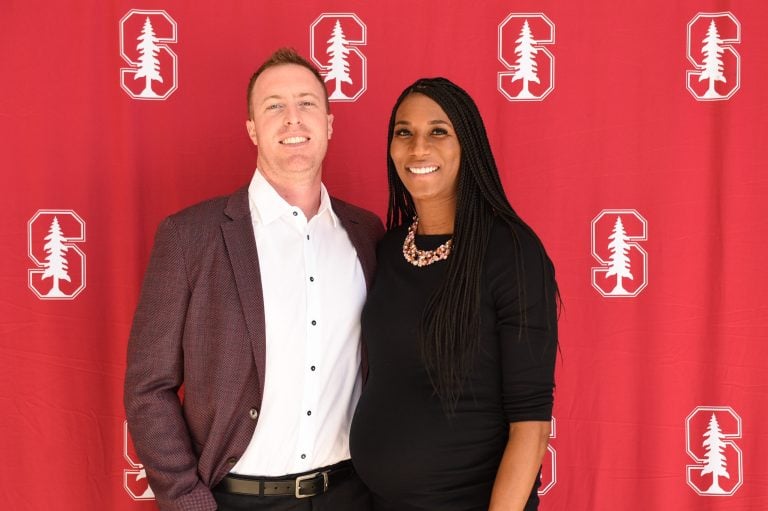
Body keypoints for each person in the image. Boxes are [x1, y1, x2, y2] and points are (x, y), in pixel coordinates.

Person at [124, 48, 383, 511]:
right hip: (236, 499)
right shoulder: (190, 237)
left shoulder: (367, 234)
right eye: (273, 106)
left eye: (306, 103)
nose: (292, 118)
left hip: (351, 495)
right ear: (251, 129)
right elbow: (148, 386)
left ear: (328, 122)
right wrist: (189, 503)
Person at [350, 77, 559, 511]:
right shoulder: (387, 250)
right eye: (404, 132)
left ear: (469, 146)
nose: (418, 148)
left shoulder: (512, 252)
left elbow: (531, 425)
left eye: (438, 132)